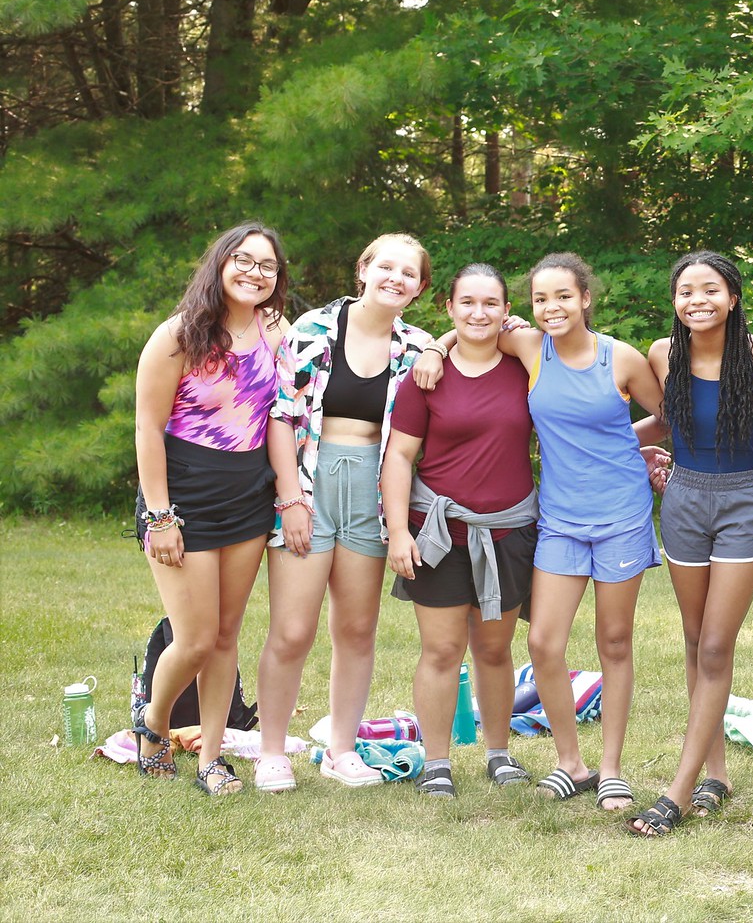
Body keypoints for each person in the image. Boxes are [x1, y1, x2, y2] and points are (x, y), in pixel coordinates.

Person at [418, 252, 667, 813]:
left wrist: (635, 445)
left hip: (623, 518)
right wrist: (434, 348)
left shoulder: (620, 359)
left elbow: (672, 416)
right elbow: (468, 327)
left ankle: (609, 770)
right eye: (540, 299)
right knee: (543, 643)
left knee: (615, 642)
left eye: (563, 296)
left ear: (585, 299)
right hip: (557, 519)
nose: (552, 307)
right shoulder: (528, 346)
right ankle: (569, 762)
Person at [253, 234, 436, 793]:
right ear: (363, 269)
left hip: (376, 493)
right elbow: (280, 417)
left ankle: (341, 748)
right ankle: (270, 751)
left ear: (421, 288)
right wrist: (291, 501)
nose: (395, 278)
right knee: (291, 630)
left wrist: (441, 344)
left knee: (357, 630)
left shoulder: (419, 346)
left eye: (409, 273)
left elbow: (486, 334)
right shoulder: (311, 330)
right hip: (310, 482)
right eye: (386, 266)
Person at [625, 252, 753, 836]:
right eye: (685, 291)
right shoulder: (663, 354)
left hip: (745, 499)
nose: (697, 300)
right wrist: (616, 446)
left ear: (734, 297)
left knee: (717, 645)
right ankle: (715, 772)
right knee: (695, 641)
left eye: (710, 289)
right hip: (684, 499)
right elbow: (669, 420)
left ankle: (679, 790)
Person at [132, 222, 290, 796]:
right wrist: (160, 515)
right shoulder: (178, 335)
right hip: (184, 498)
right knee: (195, 637)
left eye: (267, 265)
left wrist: (441, 343)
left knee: (226, 636)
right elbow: (148, 429)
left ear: (277, 278)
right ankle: (152, 722)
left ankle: (211, 757)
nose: (254, 272)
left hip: (249, 494)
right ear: (220, 264)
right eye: (243, 260)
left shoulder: (276, 329)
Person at [381, 263, 539, 799]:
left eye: (490, 303)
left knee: (494, 650)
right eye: (466, 302)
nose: (478, 313)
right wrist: (398, 530)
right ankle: (437, 762)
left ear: (505, 311)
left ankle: (499, 753)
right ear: (449, 308)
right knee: (442, 651)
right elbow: (400, 456)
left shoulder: (526, 365)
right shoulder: (425, 375)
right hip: (438, 533)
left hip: (509, 532)